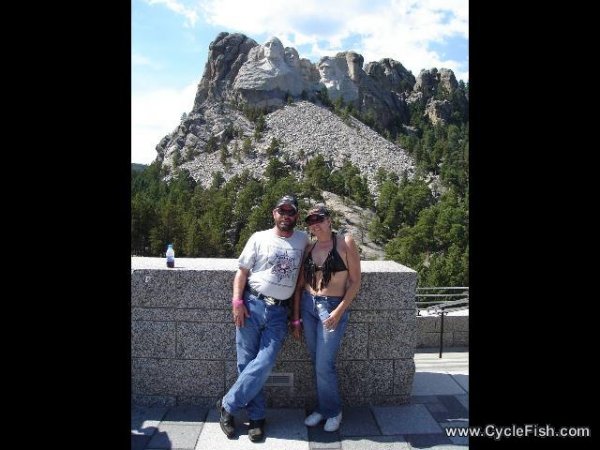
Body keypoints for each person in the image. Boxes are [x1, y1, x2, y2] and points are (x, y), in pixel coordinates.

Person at [217, 194, 308, 442]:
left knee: (265, 362)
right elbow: (242, 272)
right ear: (274, 213)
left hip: (280, 312)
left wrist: (297, 317)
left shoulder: (303, 240)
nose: (286, 216)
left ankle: (228, 404)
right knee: (246, 363)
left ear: (296, 216)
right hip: (251, 304)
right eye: (282, 211)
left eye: (291, 212)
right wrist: (237, 302)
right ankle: (257, 417)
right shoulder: (258, 238)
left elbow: (300, 282)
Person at [292, 203, 361, 432]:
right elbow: (302, 283)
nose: (316, 224)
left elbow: (355, 282)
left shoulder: (345, 243)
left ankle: (333, 411)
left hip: (331, 308)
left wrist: (339, 311)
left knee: (325, 364)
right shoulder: (311, 248)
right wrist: (296, 316)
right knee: (317, 362)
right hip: (309, 306)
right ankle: (323, 408)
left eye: (319, 219)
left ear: (329, 219)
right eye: (311, 221)